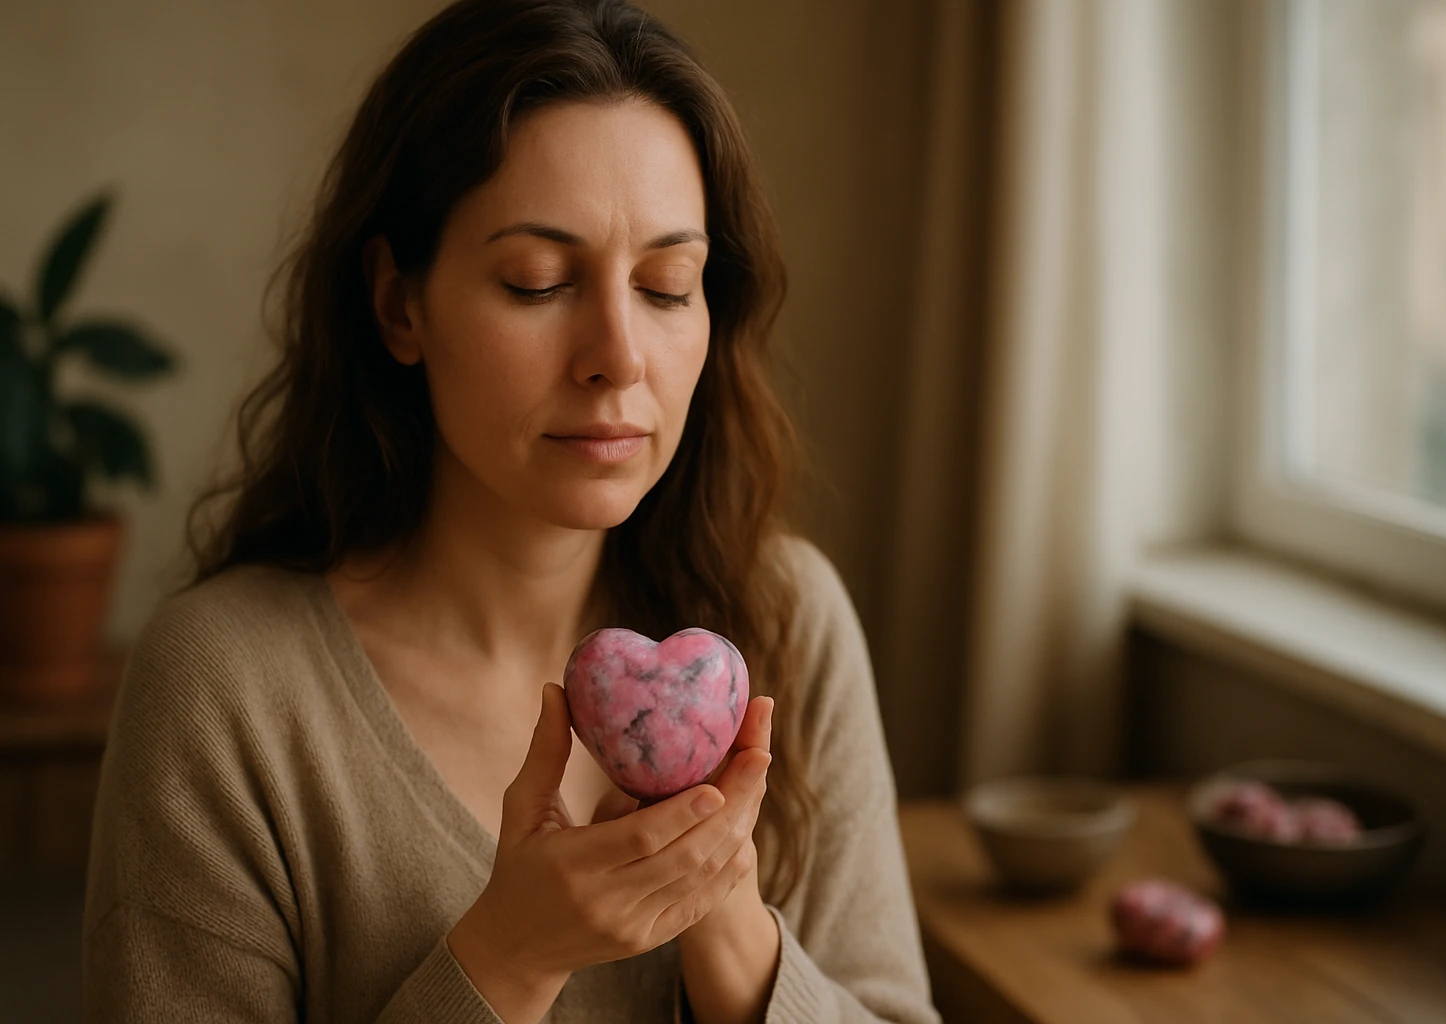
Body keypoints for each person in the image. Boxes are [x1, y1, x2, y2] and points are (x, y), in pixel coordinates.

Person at [82, 1, 940, 1021]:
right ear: (400, 303)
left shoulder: (787, 616)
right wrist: (506, 957)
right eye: (537, 282)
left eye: (668, 286)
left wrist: (729, 924)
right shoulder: (228, 688)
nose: (618, 356)